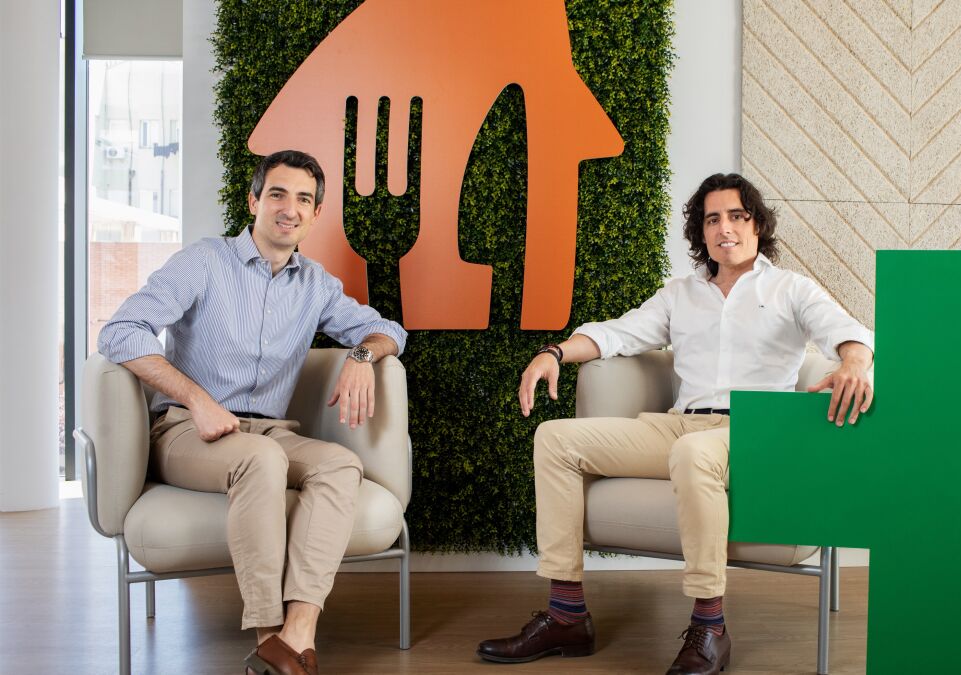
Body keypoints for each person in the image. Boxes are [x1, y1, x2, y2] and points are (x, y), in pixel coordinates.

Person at [477, 173, 874, 674]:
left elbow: (851, 333)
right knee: (555, 439)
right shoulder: (680, 293)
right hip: (679, 424)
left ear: (757, 224)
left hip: (750, 432)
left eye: (736, 216)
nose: (724, 228)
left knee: (692, 455)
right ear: (700, 232)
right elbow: (618, 333)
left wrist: (854, 362)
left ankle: (710, 626)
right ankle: (566, 615)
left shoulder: (790, 288)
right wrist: (553, 352)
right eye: (712, 219)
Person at [97, 150, 407, 675]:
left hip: (266, 431)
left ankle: (297, 635)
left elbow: (388, 331)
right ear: (254, 201)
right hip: (185, 429)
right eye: (278, 194)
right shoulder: (204, 261)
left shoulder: (316, 285)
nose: (290, 209)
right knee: (260, 459)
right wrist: (196, 399)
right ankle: (268, 635)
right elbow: (121, 331)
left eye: (303, 199)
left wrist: (361, 356)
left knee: (340, 465)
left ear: (316, 214)